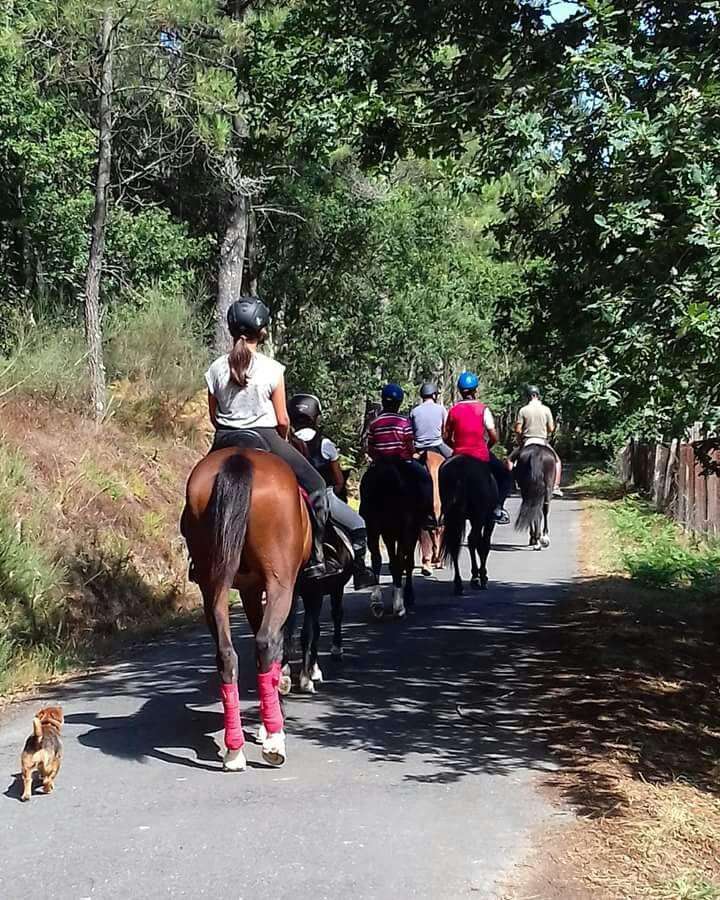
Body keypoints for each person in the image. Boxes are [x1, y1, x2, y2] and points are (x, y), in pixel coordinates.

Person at [205, 297, 328, 578]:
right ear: (262, 331)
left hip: (224, 438)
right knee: (317, 485)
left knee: (195, 495)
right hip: (265, 437)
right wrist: (283, 439)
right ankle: (317, 556)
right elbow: (283, 419)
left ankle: (196, 556)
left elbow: (213, 416)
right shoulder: (272, 368)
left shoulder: (215, 369)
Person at [288, 393, 377, 590]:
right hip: (324, 496)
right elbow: (338, 480)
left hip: (292, 498)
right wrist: (336, 490)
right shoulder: (325, 444)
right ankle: (361, 570)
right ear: (315, 416)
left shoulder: (286, 445)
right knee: (359, 525)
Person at [443, 371, 512, 524]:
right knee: (505, 476)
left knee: (442, 474)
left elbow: (446, 437)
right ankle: (498, 508)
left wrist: (456, 447)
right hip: (480, 454)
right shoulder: (483, 409)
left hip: (458, 454)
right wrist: (487, 447)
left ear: (460, 391)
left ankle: (443, 510)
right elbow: (494, 436)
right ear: (476, 390)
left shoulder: (453, 410)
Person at [366, 383, 435, 527]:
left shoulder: (374, 423)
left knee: (365, 483)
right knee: (425, 478)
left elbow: (370, 448)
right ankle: (427, 514)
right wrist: (413, 455)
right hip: (401, 462)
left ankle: (365, 513)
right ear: (399, 403)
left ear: (383, 401)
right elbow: (409, 446)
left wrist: (377, 457)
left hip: (381, 463)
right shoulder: (404, 422)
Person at [512, 385, 563, 497]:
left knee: (510, 461)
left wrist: (520, 441)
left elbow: (518, 429)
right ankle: (555, 486)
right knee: (557, 461)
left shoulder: (523, 410)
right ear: (538, 395)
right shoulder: (546, 409)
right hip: (542, 440)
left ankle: (512, 483)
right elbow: (551, 428)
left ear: (528, 396)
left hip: (527, 441)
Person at [410, 382, 452, 459]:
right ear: (434, 395)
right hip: (437, 445)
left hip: (419, 447)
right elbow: (445, 431)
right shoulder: (441, 409)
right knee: (454, 459)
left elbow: (411, 433)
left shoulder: (414, 411)